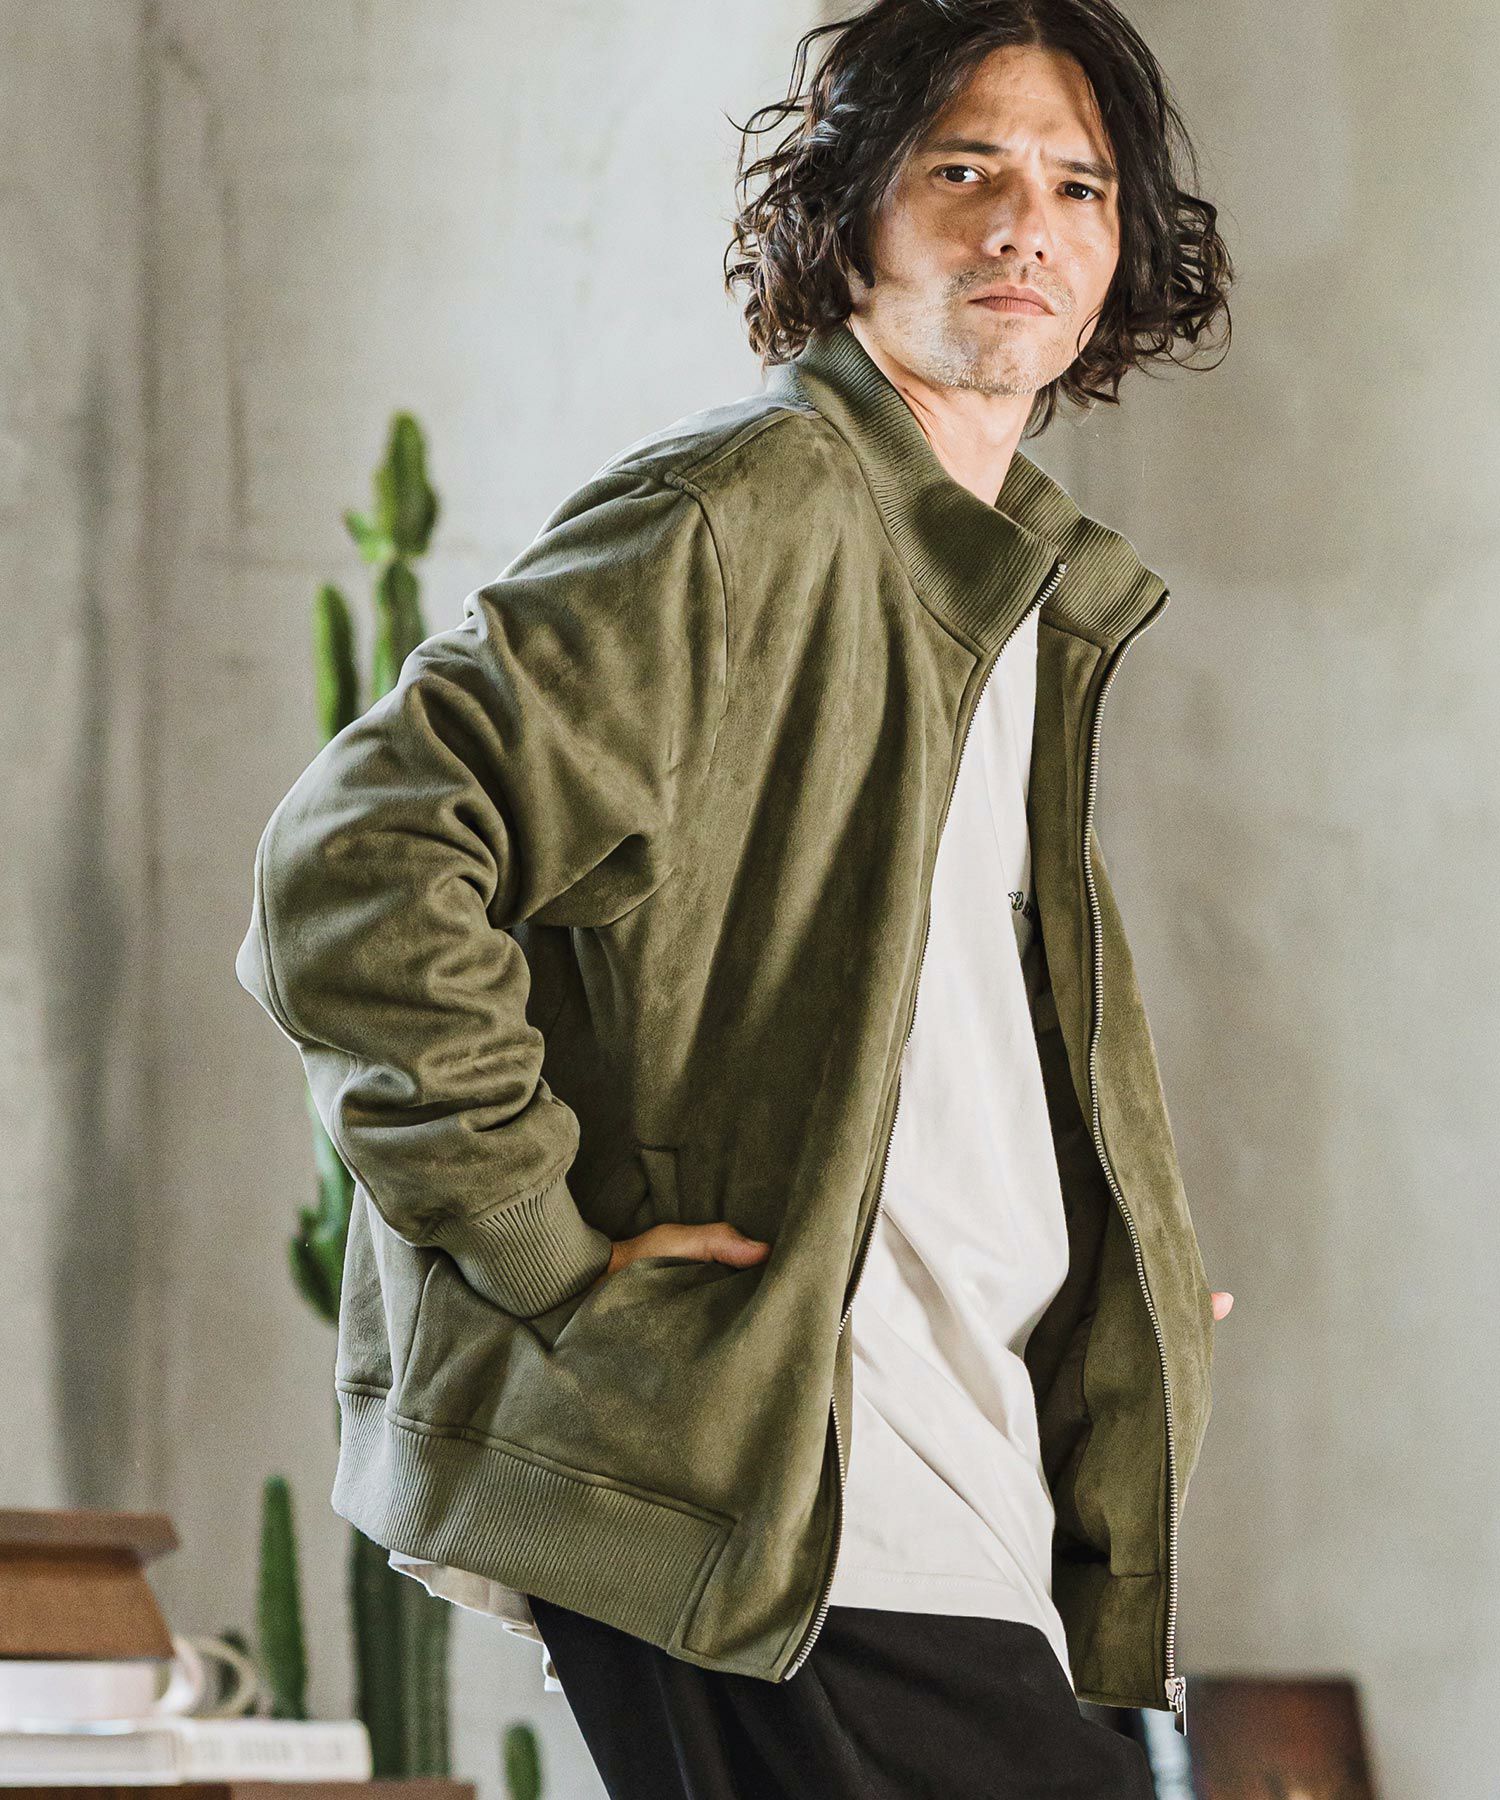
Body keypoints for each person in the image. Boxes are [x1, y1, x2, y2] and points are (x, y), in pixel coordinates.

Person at [235, 2, 1237, 1792]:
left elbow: (918, 1032)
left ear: (1119, 254)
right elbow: (358, 860)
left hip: (944, 1479)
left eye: (1079, 187)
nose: (1027, 224)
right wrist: (538, 1247)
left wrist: (1113, 1259)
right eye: (966, 170)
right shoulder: (747, 507)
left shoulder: (995, 584)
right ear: (850, 219)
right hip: (780, 1482)